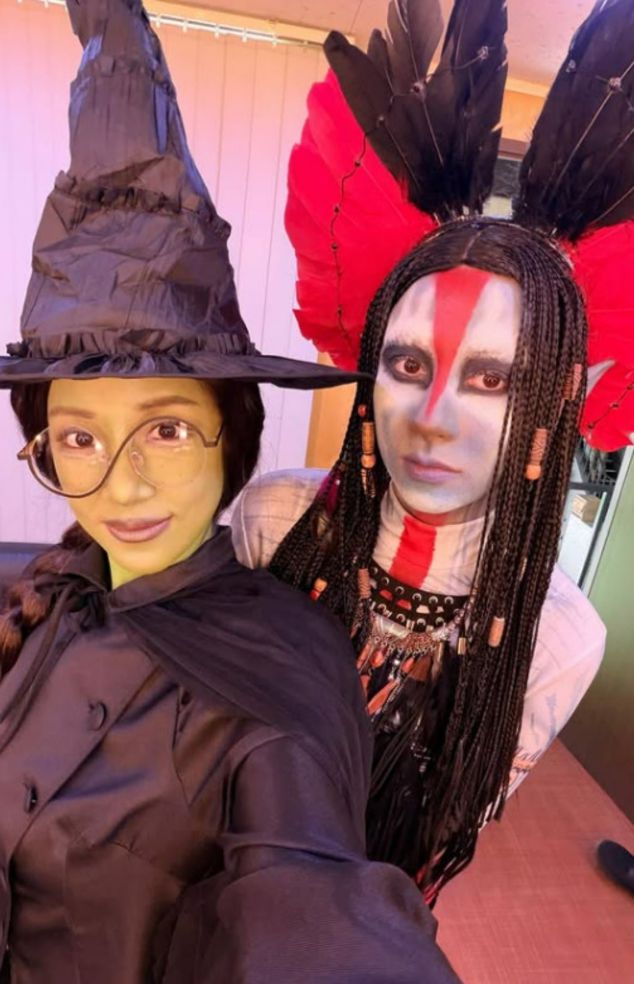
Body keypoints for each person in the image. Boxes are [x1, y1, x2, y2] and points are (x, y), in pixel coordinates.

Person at [0, 1, 462, 981]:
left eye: (165, 428)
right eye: (78, 438)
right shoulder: (52, 593)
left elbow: (305, 907)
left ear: (233, 436)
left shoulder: (279, 677)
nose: (120, 484)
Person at [233, 0, 634, 902]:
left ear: (552, 402)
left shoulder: (561, 638)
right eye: (409, 364)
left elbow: (458, 823)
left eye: (493, 378)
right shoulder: (274, 520)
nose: (436, 417)